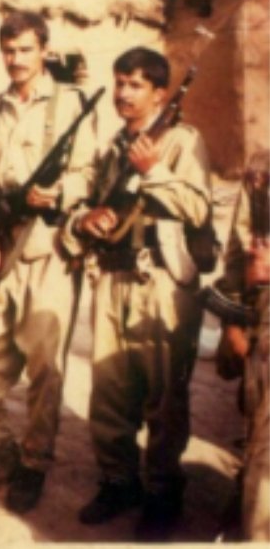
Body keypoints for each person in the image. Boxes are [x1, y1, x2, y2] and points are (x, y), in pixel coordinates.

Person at [64, 47, 211, 540]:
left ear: (159, 94)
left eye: (136, 85)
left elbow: (196, 207)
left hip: (162, 281)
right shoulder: (110, 147)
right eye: (120, 82)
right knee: (109, 390)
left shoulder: (183, 142)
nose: (124, 93)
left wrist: (153, 171)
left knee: (163, 394)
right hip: (113, 275)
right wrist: (88, 219)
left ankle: (164, 492)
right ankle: (118, 481)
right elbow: (93, 204)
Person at [0, 11, 96, 513]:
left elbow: (89, 172)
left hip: (48, 250)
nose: (17, 60)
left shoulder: (73, 104)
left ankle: (34, 463)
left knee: (45, 366)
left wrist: (57, 193)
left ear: (44, 50)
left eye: (26, 50)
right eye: (9, 51)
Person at [212, 150, 268, 541]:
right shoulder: (262, 170)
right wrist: (233, 321)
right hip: (261, 318)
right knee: (255, 413)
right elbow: (238, 252)